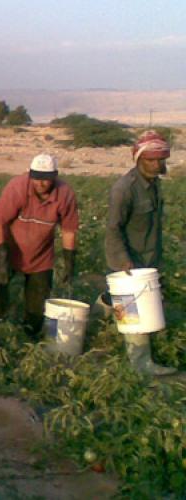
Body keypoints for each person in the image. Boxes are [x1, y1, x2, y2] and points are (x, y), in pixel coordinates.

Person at [101, 130, 175, 375]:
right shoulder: (125, 189)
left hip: (149, 258)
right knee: (135, 313)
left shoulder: (154, 186)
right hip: (129, 261)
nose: (156, 165)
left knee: (120, 303)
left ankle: (93, 322)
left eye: (160, 160)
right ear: (138, 160)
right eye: (150, 160)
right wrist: (125, 262)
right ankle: (140, 365)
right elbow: (113, 229)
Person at [0, 154, 79, 338]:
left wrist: (69, 261)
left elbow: (69, 230)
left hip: (41, 256)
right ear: (30, 174)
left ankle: (29, 336)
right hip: (10, 249)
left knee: (37, 304)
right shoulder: (18, 188)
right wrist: (2, 255)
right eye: (36, 177)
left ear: (55, 176)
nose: (41, 183)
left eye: (46, 179)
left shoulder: (64, 194)